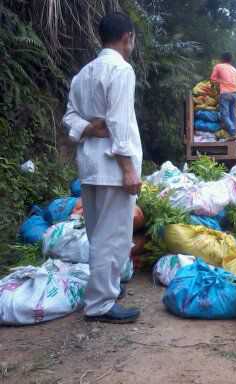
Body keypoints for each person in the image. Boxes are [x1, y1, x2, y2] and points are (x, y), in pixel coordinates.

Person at [63, 12, 142, 323]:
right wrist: (128, 168)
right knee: (115, 237)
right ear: (127, 38)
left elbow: (69, 117)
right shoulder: (121, 70)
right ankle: (100, 305)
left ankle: (103, 290)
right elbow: (119, 121)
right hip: (112, 167)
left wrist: (87, 129)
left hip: (90, 164)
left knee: (98, 234)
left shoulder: (83, 74)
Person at [210, 52, 236, 139]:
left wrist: (220, 82)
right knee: (232, 114)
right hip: (235, 93)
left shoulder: (218, 66)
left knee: (224, 115)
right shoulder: (234, 69)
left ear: (222, 59)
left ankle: (233, 132)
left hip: (225, 93)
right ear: (231, 60)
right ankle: (233, 134)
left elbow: (213, 79)